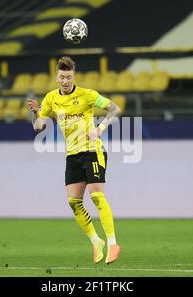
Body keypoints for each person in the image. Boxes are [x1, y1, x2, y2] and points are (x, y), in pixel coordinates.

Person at [27, 56, 121, 264]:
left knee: (96, 196)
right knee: (74, 202)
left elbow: (115, 110)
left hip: (92, 151)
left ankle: (113, 243)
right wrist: (35, 114)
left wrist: (100, 128)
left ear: (73, 76)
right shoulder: (51, 98)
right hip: (73, 155)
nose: (65, 81)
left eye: (68, 77)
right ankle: (96, 241)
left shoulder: (87, 95)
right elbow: (37, 127)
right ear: (56, 77)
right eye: (61, 77)